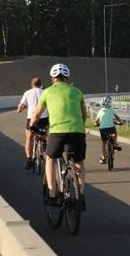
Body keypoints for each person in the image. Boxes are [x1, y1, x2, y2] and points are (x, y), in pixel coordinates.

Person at [32, 62, 88, 210]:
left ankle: (52, 194)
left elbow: (37, 114)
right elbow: (84, 114)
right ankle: (80, 196)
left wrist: (32, 126)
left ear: (52, 79)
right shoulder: (77, 91)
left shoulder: (47, 92)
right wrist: (80, 125)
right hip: (77, 131)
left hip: (57, 132)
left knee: (50, 158)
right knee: (79, 162)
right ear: (67, 77)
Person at [17, 77, 47, 170]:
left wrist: (20, 108)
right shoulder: (45, 92)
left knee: (29, 139)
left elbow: (20, 108)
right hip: (44, 118)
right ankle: (44, 146)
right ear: (40, 84)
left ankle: (29, 159)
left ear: (32, 84)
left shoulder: (28, 93)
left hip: (31, 119)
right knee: (44, 135)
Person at [95, 96, 123, 164]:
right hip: (111, 128)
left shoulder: (100, 111)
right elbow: (117, 118)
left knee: (103, 143)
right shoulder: (111, 110)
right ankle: (115, 143)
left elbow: (96, 120)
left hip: (103, 129)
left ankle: (103, 157)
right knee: (115, 132)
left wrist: (96, 124)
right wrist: (120, 122)